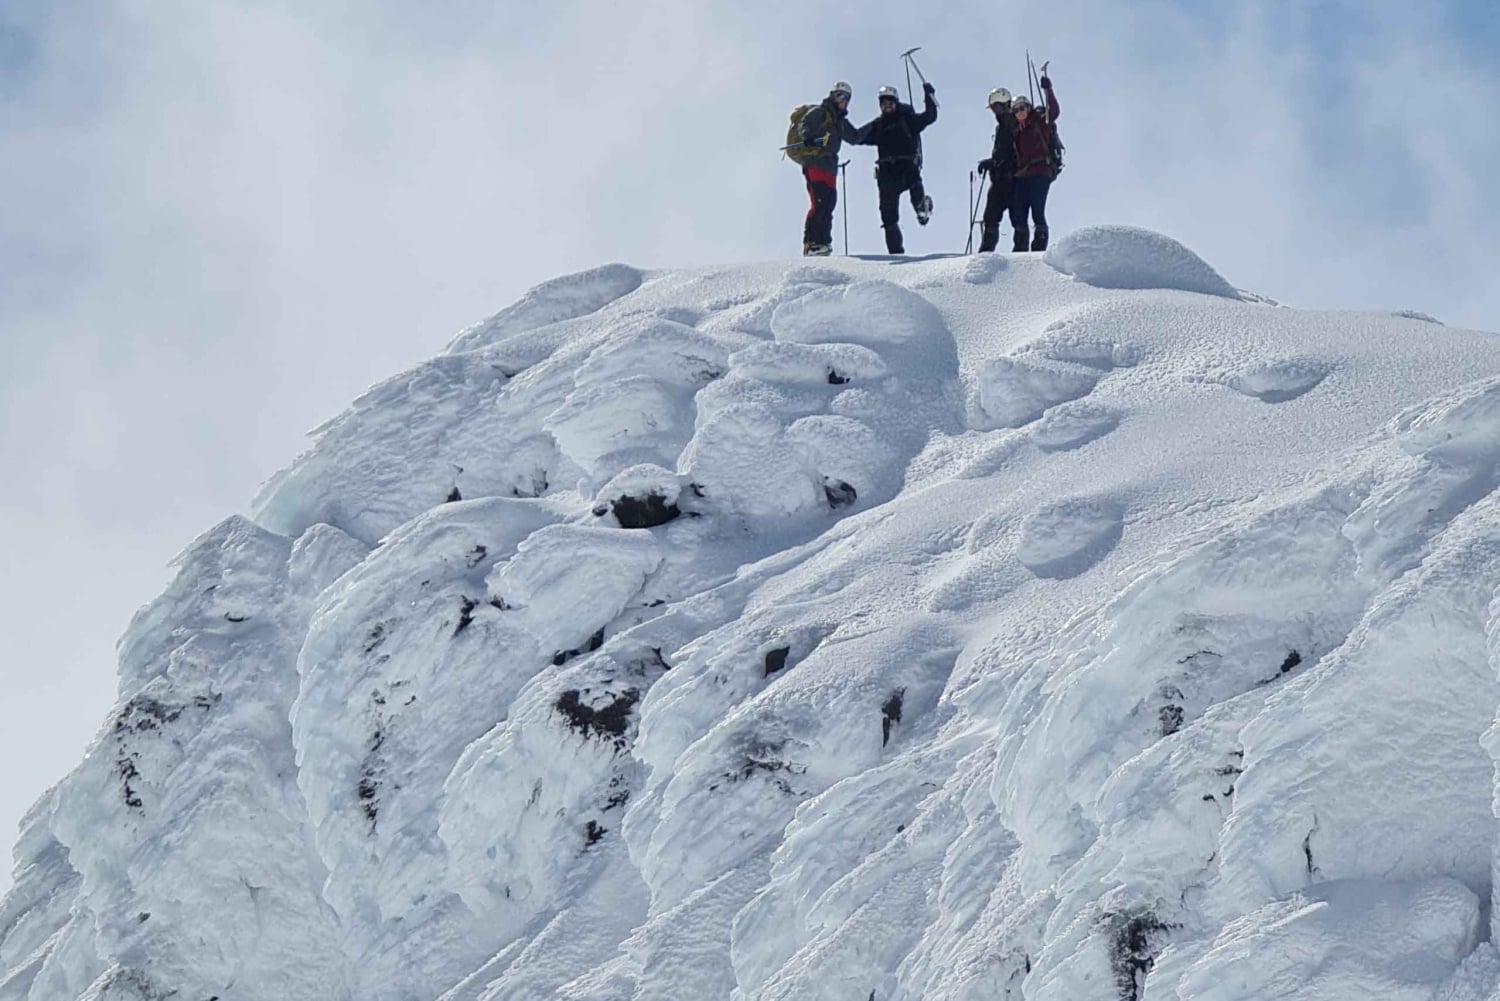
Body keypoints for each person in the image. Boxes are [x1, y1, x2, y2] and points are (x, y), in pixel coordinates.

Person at [854, 82, 938, 254]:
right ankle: (896, 252)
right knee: (888, 217)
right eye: (883, 104)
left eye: (890, 103)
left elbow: (929, 116)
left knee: (915, 189)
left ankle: (923, 208)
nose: (887, 106)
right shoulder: (878, 125)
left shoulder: (907, 119)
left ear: (896, 102)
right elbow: (857, 137)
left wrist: (929, 96)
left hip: (907, 167)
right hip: (886, 174)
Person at [797, 82, 864, 257]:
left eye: (846, 98)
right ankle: (812, 243)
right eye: (839, 96)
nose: (843, 101)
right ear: (832, 95)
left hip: (830, 168)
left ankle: (823, 243)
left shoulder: (840, 121)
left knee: (829, 203)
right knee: (820, 202)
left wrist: (881, 125)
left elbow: (855, 137)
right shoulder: (821, 111)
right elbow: (804, 124)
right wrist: (808, 137)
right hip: (815, 162)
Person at [1009, 76, 1060, 252]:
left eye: (1022, 108)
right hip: (1024, 174)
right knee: (1019, 211)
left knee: (1037, 209)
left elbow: (1053, 112)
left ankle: (1039, 247)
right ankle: (1020, 247)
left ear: (1028, 108)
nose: (1019, 112)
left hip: (1041, 171)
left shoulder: (1039, 120)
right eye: (1015, 111)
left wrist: (1048, 90)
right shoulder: (1018, 132)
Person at [975, 87, 1016, 254]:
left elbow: (1010, 153)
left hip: (1013, 179)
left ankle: (1021, 256)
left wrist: (993, 162)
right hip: (1000, 179)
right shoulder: (1003, 126)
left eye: (997, 107)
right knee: (991, 217)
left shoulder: (1014, 124)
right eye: (993, 108)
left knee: (1016, 219)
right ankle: (986, 252)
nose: (995, 112)